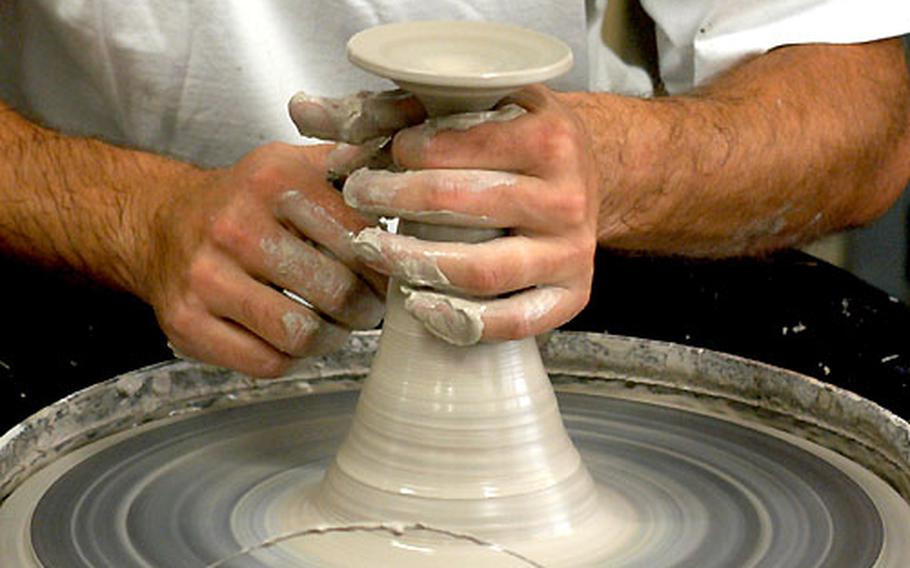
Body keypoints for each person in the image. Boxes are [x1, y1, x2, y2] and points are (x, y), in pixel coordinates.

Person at [0, 1, 908, 377]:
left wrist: (605, 165)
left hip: (572, 267)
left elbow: (862, 109)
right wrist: (136, 216)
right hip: (103, 272)